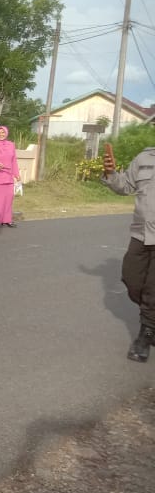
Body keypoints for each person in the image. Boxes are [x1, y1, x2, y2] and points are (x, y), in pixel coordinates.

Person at [101, 145, 155, 362]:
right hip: (141, 233)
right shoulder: (144, 157)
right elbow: (125, 186)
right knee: (132, 280)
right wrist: (111, 173)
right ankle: (152, 315)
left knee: (152, 287)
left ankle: (146, 333)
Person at [0, 126, 21, 228]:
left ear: (6, 133)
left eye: (3, 132)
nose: (1, 134)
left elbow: (13, 161)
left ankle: (6, 219)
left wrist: (17, 175)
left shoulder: (11, 145)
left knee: (8, 199)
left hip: (8, 177)